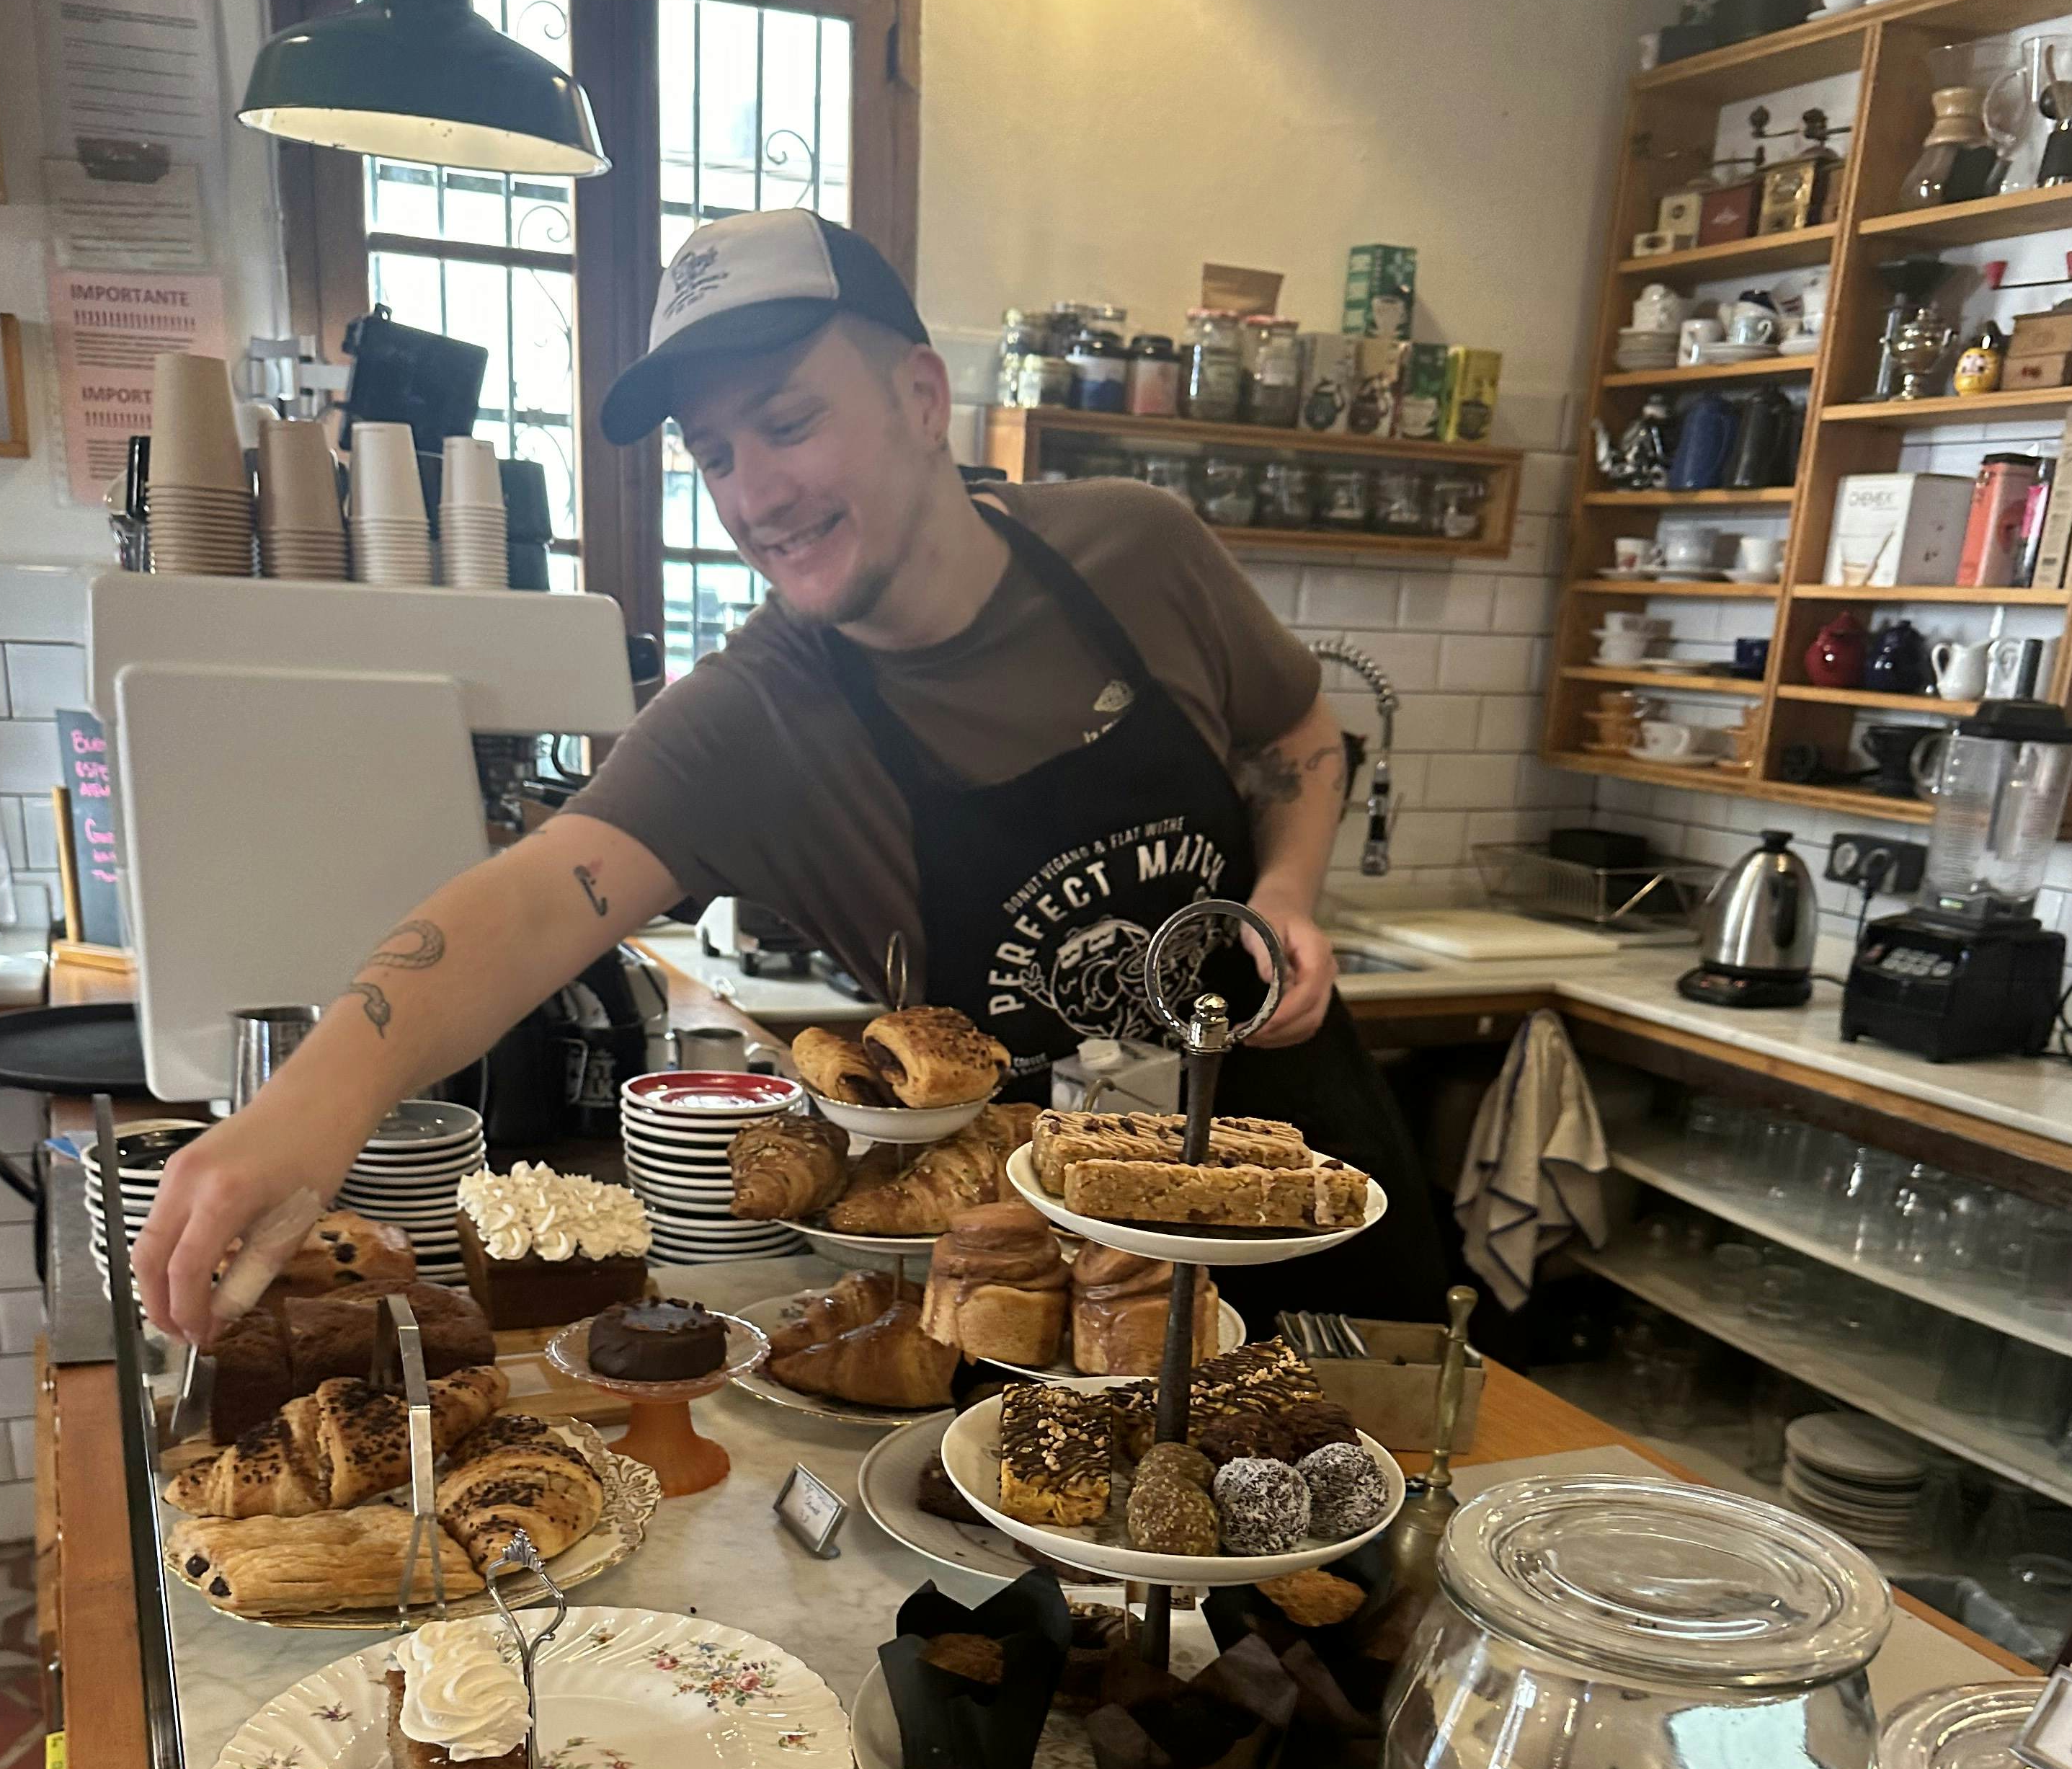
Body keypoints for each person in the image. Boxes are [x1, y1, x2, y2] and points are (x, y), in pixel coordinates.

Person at [138, 209, 1449, 1347]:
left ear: (921, 399)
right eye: (714, 453)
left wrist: (1287, 890)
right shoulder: (757, 720)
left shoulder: (1138, 554)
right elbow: (532, 902)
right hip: (1052, 1288)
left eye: (788, 422)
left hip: (1315, 1190)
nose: (753, 494)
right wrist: (311, 1105)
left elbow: (1296, 736)